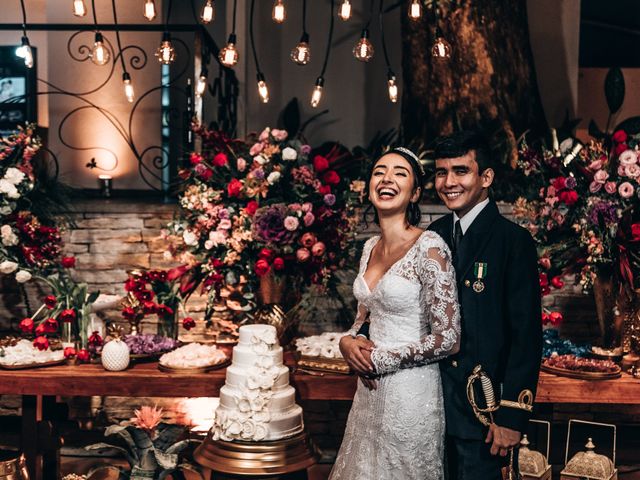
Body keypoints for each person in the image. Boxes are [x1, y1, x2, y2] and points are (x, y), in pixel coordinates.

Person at [330, 147, 461, 480]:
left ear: (415, 192)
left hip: (411, 395)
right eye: (378, 171)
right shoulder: (369, 247)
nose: (386, 178)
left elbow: (448, 339)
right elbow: (363, 320)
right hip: (368, 393)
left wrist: (382, 360)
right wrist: (347, 343)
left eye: (400, 173)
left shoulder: (430, 246)